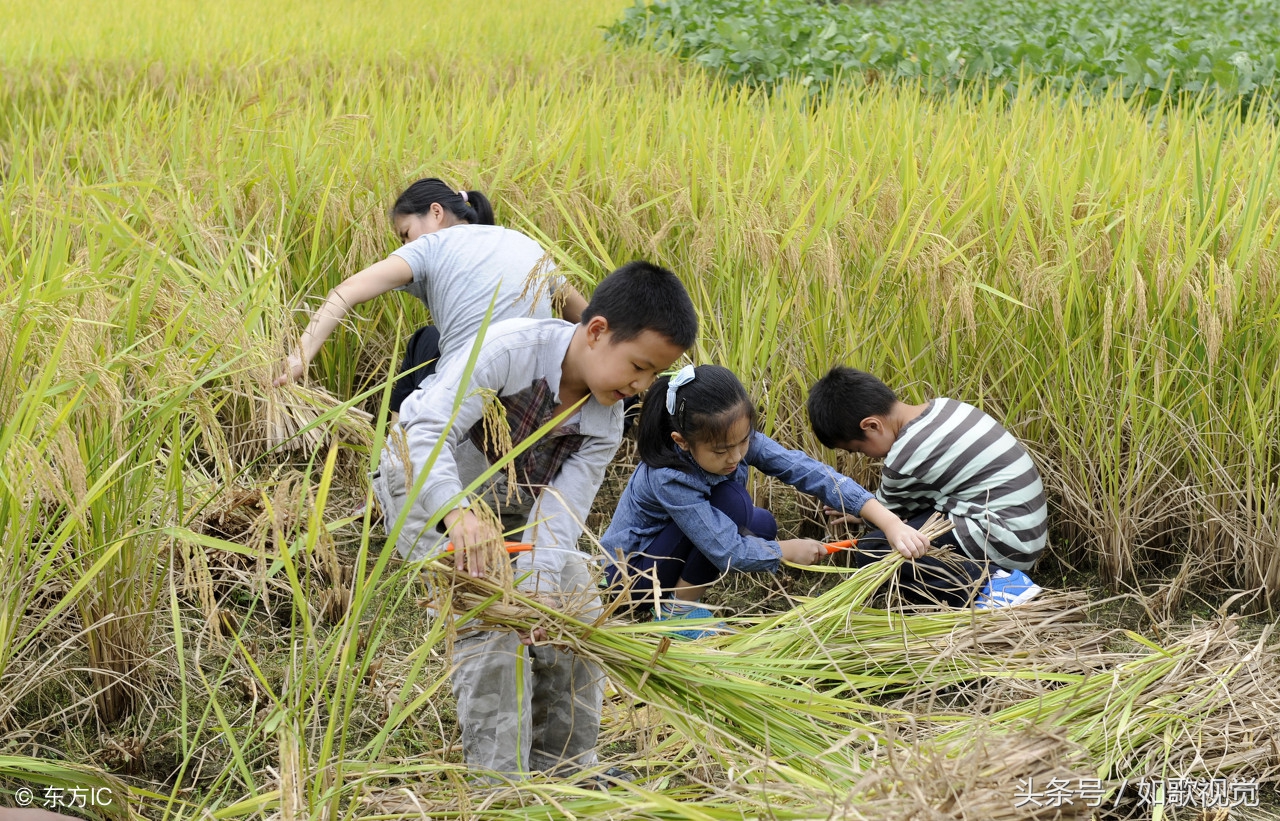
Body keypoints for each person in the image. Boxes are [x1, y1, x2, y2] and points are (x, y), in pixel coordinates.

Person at [372, 261, 697, 780]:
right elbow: (424, 433)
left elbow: (558, 514)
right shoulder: (506, 351)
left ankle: (565, 770)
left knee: (577, 611)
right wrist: (457, 514)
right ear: (596, 331)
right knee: (492, 618)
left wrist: (544, 589)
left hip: (513, 504)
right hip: (425, 485)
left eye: (653, 375)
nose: (641, 385)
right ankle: (502, 788)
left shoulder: (605, 419)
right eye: (638, 366)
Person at [600, 364, 930, 637]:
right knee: (730, 501)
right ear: (682, 442)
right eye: (721, 451)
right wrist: (786, 551)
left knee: (761, 523)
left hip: (665, 559)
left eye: (743, 442)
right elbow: (726, 549)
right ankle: (676, 615)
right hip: (631, 580)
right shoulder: (669, 476)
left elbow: (806, 471)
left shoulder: (735, 439)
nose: (735, 457)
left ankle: (679, 603)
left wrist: (887, 520)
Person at [274, 177, 586, 413]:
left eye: (406, 233)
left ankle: (393, 464)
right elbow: (584, 316)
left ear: (436, 212)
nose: (406, 245)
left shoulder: (431, 246)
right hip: (541, 394)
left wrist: (297, 359)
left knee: (423, 343)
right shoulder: (524, 241)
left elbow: (345, 291)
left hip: (471, 394)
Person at [807, 366, 1046, 609]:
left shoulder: (904, 458)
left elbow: (889, 516)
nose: (866, 456)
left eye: (858, 449)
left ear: (872, 426)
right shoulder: (945, 407)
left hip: (1005, 542)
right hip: (1023, 531)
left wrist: (866, 514)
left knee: (873, 550)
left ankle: (993, 585)